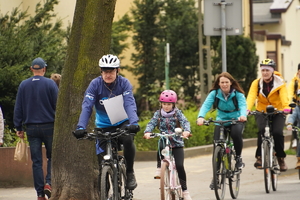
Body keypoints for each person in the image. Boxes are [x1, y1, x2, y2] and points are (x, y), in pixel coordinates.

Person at [73, 54, 140, 190]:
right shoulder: (95, 84)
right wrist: (80, 127)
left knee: (127, 140)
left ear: (117, 71)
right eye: (105, 71)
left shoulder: (124, 83)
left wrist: (133, 122)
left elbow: (129, 104)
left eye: (111, 71)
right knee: (101, 160)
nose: (108, 74)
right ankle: (105, 186)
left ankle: (130, 172)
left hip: (122, 122)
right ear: (101, 71)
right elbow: (87, 106)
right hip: (103, 126)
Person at [14, 57, 58, 200]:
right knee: (52, 157)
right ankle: (49, 183)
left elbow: (18, 107)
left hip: (31, 128)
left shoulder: (23, 85)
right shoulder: (51, 84)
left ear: (32, 69)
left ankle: (39, 194)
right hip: (49, 126)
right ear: (44, 69)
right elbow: (57, 105)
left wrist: (18, 127)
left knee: (37, 161)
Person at [196, 72, 247, 189]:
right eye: (222, 82)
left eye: (226, 82)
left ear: (231, 83)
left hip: (236, 119)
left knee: (236, 134)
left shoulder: (237, 94)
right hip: (221, 121)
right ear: (218, 84)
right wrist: (200, 117)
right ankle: (216, 178)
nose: (224, 84)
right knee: (217, 147)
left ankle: (238, 158)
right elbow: (206, 105)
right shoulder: (214, 93)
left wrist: (243, 115)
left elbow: (243, 105)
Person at [144, 90, 192, 200]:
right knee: (160, 144)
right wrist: (147, 132)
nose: (166, 106)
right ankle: (159, 167)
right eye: (164, 104)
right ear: (161, 104)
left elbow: (185, 122)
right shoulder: (158, 113)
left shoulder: (177, 113)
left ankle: (185, 191)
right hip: (164, 138)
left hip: (177, 142)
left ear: (173, 104)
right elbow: (152, 122)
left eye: (169, 104)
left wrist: (186, 131)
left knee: (179, 166)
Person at [246, 58, 290, 171]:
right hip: (262, 110)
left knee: (277, 132)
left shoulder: (280, 83)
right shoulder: (256, 83)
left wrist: (286, 108)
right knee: (261, 130)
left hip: (278, 110)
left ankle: (280, 158)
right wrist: (246, 109)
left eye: (267, 70)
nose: (265, 73)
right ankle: (260, 157)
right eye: (263, 70)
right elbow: (251, 97)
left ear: (272, 71)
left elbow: (284, 96)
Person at [287, 63, 300, 149]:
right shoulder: (294, 82)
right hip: (296, 104)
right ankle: (295, 139)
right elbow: (289, 94)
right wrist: (289, 107)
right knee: (295, 123)